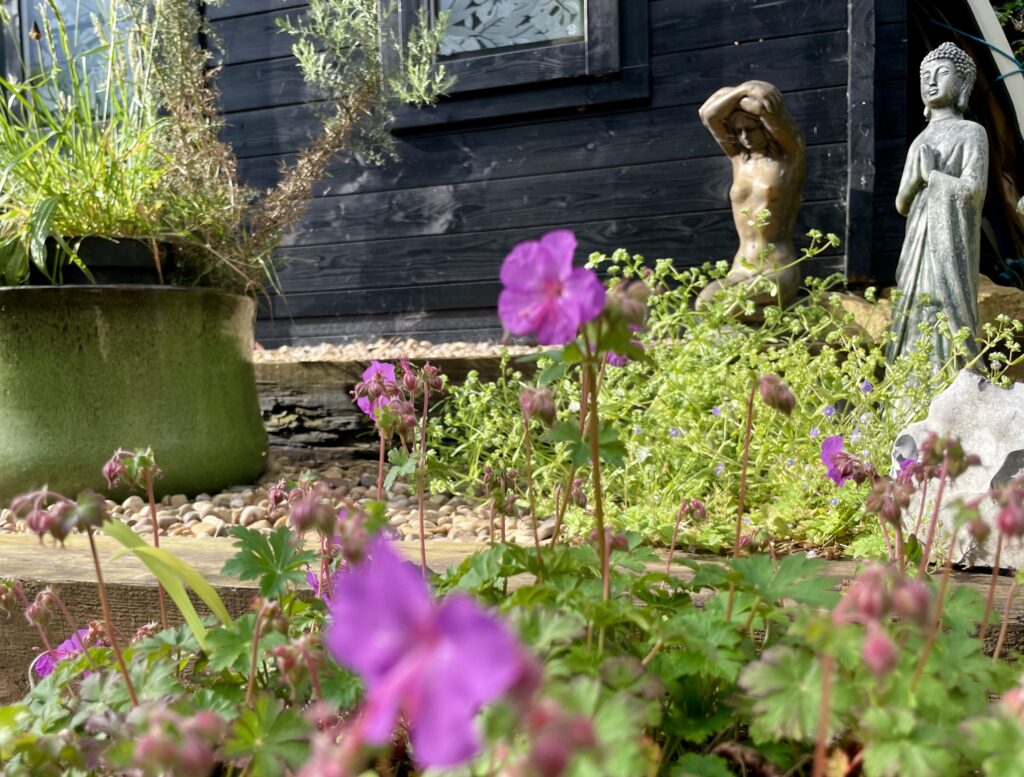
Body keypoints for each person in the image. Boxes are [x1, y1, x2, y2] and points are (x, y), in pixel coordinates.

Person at [887, 42, 988, 370]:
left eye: (941, 74)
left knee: (945, 307)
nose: (931, 82)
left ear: (961, 84)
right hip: (917, 241)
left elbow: (974, 190)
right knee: (914, 305)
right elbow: (902, 202)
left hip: (950, 243)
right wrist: (918, 177)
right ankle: (908, 391)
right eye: (925, 76)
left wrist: (933, 175)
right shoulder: (920, 140)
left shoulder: (972, 133)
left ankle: (950, 383)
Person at [697, 80, 807, 319]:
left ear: (766, 129)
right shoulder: (740, 160)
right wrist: (745, 90)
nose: (744, 137)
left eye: (751, 129)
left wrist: (752, 90)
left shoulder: (789, 157)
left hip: (777, 268)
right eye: (738, 131)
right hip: (741, 268)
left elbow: (766, 108)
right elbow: (707, 114)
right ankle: (772, 318)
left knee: (728, 307)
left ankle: (778, 320)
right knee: (704, 304)